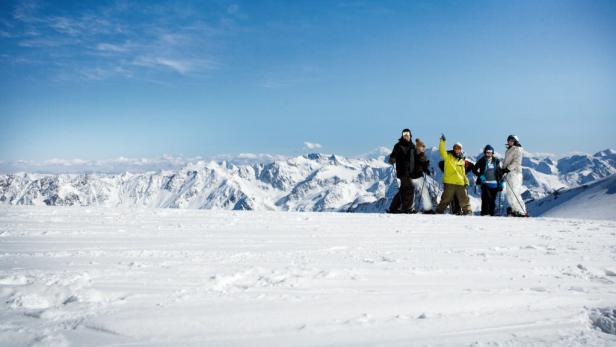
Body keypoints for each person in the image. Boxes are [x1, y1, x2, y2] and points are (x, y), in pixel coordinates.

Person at [435, 134, 472, 215]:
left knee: (464, 198)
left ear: (461, 150)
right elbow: (442, 151)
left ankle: (467, 211)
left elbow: (463, 172)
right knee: (446, 199)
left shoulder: (462, 160)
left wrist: (466, 181)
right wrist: (442, 141)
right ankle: (439, 211)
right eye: (455, 148)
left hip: (460, 183)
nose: (457, 149)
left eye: (459, 148)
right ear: (453, 149)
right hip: (449, 182)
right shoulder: (448, 156)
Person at [387, 129, 418, 213]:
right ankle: (407, 208)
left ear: (410, 135)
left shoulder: (413, 146)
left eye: (407, 134)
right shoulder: (398, 146)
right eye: (404, 134)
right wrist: (392, 159)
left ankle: (393, 208)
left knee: (403, 190)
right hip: (402, 171)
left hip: (411, 172)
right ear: (402, 135)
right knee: (409, 188)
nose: (406, 135)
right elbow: (393, 155)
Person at [472, 145, 504, 216]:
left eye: (490, 152)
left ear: (492, 153)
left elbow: (500, 172)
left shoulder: (496, 161)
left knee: (492, 201)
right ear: (484, 153)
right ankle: (484, 214)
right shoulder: (482, 160)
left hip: (495, 184)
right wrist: (480, 175)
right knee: (485, 199)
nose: (488, 154)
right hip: (485, 184)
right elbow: (474, 169)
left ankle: (491, 215)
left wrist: (501, 182)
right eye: (487, 152)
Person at [502, 135, 527, 217]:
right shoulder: (509, 150)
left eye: (512, 140)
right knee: (510, 193)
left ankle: (521, 211)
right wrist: (502, 169)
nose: (510, 142)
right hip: (509, 174)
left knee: (515, 192)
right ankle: (514, 210)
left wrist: (507, 169)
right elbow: (507, 161)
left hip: (515, 173)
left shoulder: (517, 149)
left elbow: (516, 162)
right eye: (509, 140)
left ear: (516, 141)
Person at [411, 138, 433, 213]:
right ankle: (410, 208)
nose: (423, 148)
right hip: (412, 176)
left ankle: (427, 209)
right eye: (422, 147)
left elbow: (423, 167)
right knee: (410, 193)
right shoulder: (413, 154)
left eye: (424, 147)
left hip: (418, 176)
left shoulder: (422, 155)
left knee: (424, 192)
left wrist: (426, 168)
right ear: (418, 147)